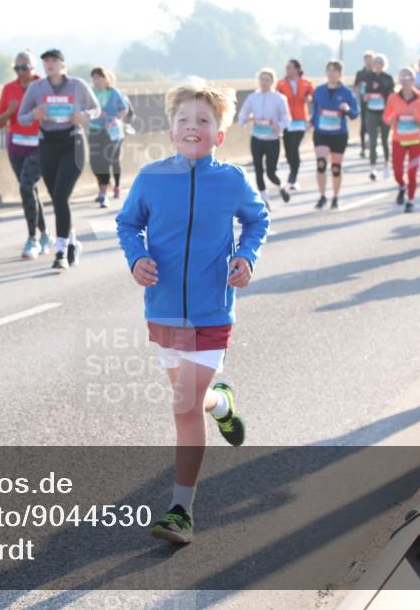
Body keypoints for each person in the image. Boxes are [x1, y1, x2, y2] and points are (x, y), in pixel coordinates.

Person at [115, 80, 268, 544]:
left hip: (212, 311)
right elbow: (128, 224)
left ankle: (181, 508)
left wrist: (247, 255)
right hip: (164, 310)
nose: (192, 127)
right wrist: (136, 258)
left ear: (219, 134)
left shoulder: (232, 180)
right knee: (192, 400)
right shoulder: (152, 178)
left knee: (182, 405)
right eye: (184, 120)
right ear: (171, 130)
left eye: (204, 120)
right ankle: (221, 402)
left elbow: (257, 219)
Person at [17, 49, 100, 270]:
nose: (49, 65)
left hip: (73, 143)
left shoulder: (77, 85)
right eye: (46, 62)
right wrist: (34, 115)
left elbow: (96, 109)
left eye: (54, 61)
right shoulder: (37, 88)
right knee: (57, 198)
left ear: (63, 65)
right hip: (48, 144)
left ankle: (61, 250)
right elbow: (21, 118)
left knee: (62, 195)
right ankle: (73, 242)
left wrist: (84, 116)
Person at [0, 50, 52, 259]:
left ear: (33, 68)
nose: (20, 72)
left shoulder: (44, 87)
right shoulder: (9, 89)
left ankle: (32, 239)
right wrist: (10, 111)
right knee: (30, 190)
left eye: (24, 68)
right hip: (16, 145)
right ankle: (45, 234)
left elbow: (57, 114)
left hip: (40, 144)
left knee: (26, 186)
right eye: (16, 68)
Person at [237, 68, 291, 210]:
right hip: (256, 138)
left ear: (273, 81)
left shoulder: (279, 98)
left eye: (267, 79)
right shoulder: (253, 97)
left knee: (271, 172)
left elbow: (286, 119)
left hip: (272, 139)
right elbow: (243, 113)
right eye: (262, 79)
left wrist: (278, 126)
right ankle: (265, 199)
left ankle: (281, 186)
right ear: (258, 81)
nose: (264, 82)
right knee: (258, 169)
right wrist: (245, 120)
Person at [310, 60, 360, 210]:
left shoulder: (346, 92)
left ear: (340, 74)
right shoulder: (318, 91)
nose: (331, 74)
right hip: (321, 133)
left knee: (336, 167)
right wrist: (311, 122)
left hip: (338, 134)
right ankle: (322, 196)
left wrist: (347, 109)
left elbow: (355, 114)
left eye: (335, 71)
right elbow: (315, 110)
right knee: (321, 164)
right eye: (329, 71)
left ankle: (335, 197)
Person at [383, 68, 420, 212]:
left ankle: (410, 200)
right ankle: (401, 186)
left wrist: (416, 116)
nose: (405, 80)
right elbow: (386, 118)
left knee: (412, 173)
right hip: (398, 140)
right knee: (397, 172)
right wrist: (392, 119)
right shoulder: (393, 97)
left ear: (413, 80)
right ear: (399, 80)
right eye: (402, 77)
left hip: (416, 141)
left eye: (408, 77)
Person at [88, 66, 130, 209]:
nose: (96, 80)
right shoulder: (91, 93)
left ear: (106, 79)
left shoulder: (114, 93)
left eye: (99, 77)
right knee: (95, 162)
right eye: (94, 78)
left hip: (111, 132)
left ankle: (104, 193)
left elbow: (124, 109)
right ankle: (103, 187)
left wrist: (114, 119)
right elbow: (84, 108)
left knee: (107, 160)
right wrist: (93, 114)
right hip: (94, 130)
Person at [276, 59, 314, 191]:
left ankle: (293, 177)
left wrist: (309, 98)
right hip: (286, 121)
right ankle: (292, 173)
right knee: (288, 151)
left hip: (300, 120)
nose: (288, 70)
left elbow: (313, 96)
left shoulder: (306, 83)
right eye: (287, 67)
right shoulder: (281, 84)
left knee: (294, 147)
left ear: (297, 69)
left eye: (291, 67)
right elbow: (275, 99)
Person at [363, 53, 394, 180]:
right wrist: (367, 96)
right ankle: (372, 167)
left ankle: (387, 165)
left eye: (379, 63)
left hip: (384, 112)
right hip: (371, 112)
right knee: (373, 140)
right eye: (375, 63)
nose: (377, 66)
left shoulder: (388, 78)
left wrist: (382, 95)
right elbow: (364, 92)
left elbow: (391, 95)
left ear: (383, 65)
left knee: (385, 140)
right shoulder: (368, 77)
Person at [354, 51, 374, 158]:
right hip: (363, 103)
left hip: (375, 104)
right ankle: (362, 147)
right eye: (367, 60)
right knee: (363, 125)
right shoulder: (360, 74)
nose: (369, 62)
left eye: (370, 60)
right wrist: (357, 100)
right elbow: (356, 87)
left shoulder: (375, 74)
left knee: (373, 125)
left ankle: (372, 145)